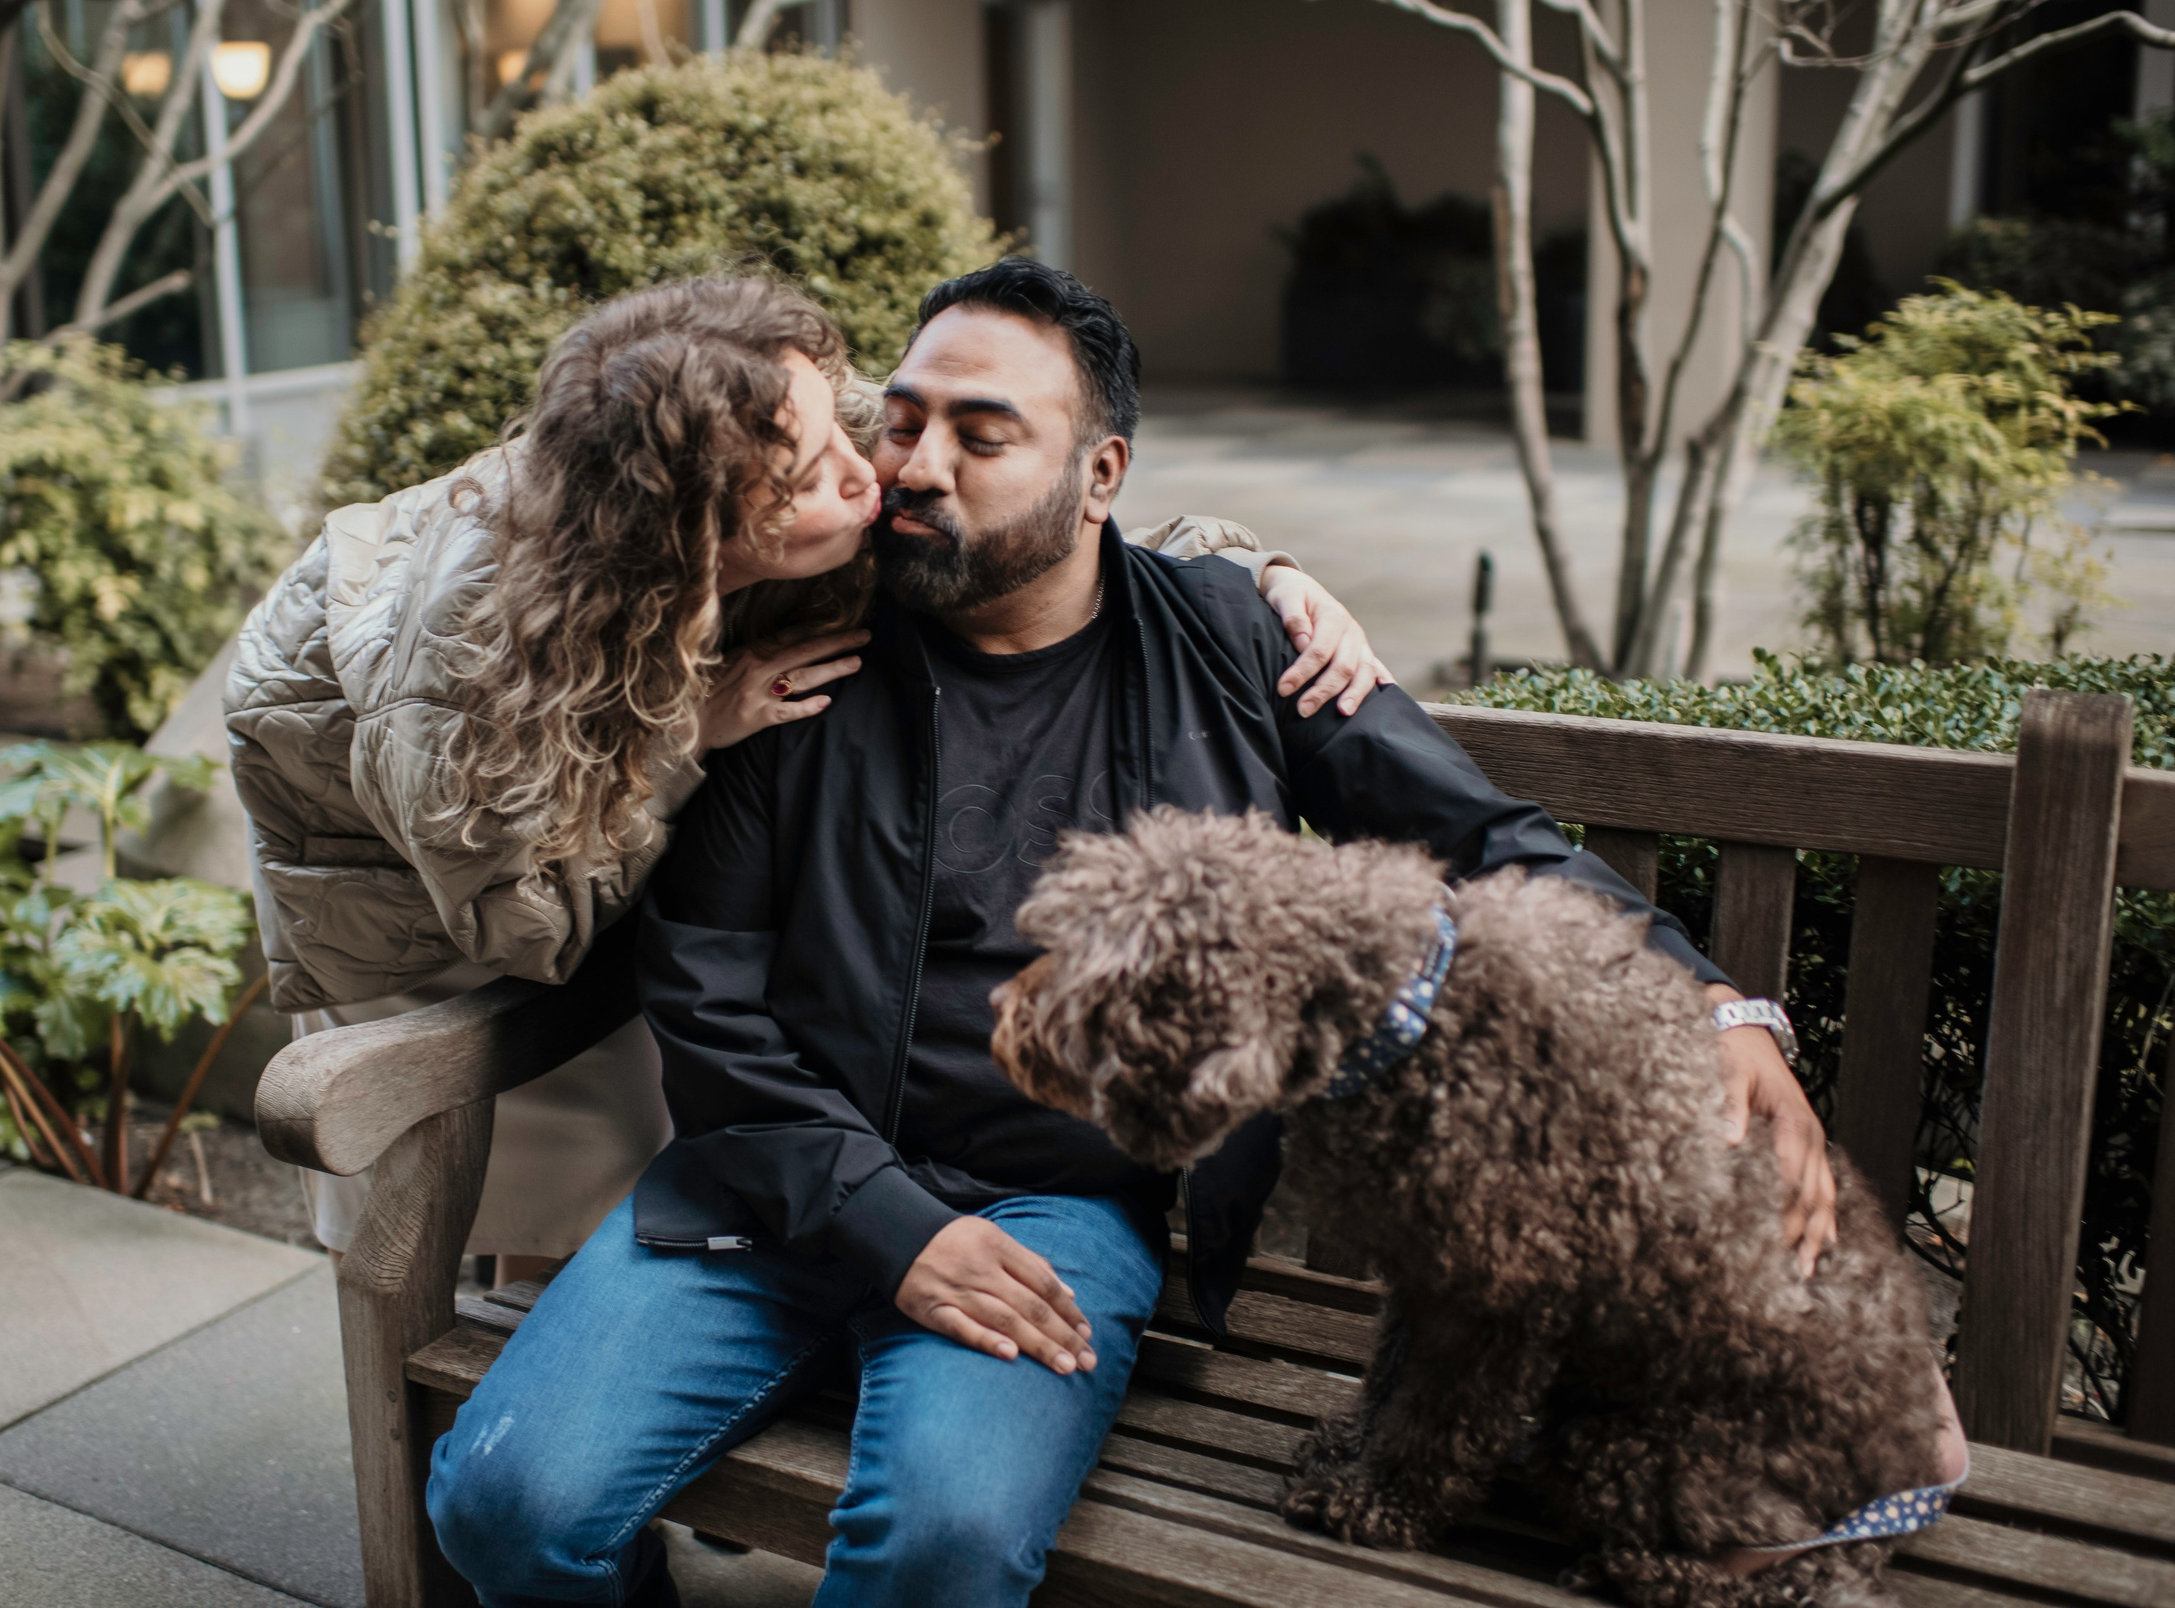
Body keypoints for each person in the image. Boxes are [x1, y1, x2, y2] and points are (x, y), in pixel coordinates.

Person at [421, 259, 1836, 1607]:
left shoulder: (1232, 639)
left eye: (984, 433)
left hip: (1054, 1209)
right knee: (503, 1498)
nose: (915, 463)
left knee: (945, 1542)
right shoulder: (799, 640)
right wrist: (891, 1227)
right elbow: (706, 995)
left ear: (1100, 476)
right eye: (903, 418)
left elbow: (1478, 836)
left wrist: (1718, 1005)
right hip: (779, 1182)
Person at [225, 273, 1391, 1276]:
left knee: (644, 1118)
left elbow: (1035, 489)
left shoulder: (773, 430)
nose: (868, 472)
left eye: (849, 427)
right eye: (809, 477)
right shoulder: (474, 679)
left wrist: (1250, 570)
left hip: (582, 743)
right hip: (405, 866)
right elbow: (532, 923)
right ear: (695, 541)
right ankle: (517, 1398)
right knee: (513, 1144)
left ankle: (618, 1382)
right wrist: (690, 735)